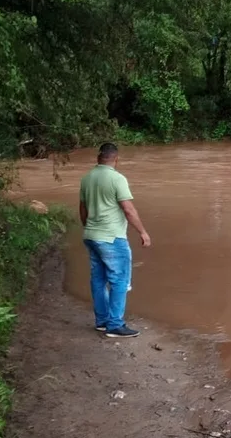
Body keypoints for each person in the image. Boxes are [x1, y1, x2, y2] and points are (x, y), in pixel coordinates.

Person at [79, 143, 151, 338]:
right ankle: (115, 324)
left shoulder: (86, 179)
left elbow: (83, 209)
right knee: (120, 280)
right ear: (116, 159)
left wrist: (89, 228)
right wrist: (143, 232)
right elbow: (128, 209)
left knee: (98, 279)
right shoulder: (117, 179)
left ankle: (102, 321)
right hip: (111, 238)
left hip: (92, 236)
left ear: (98, 158)